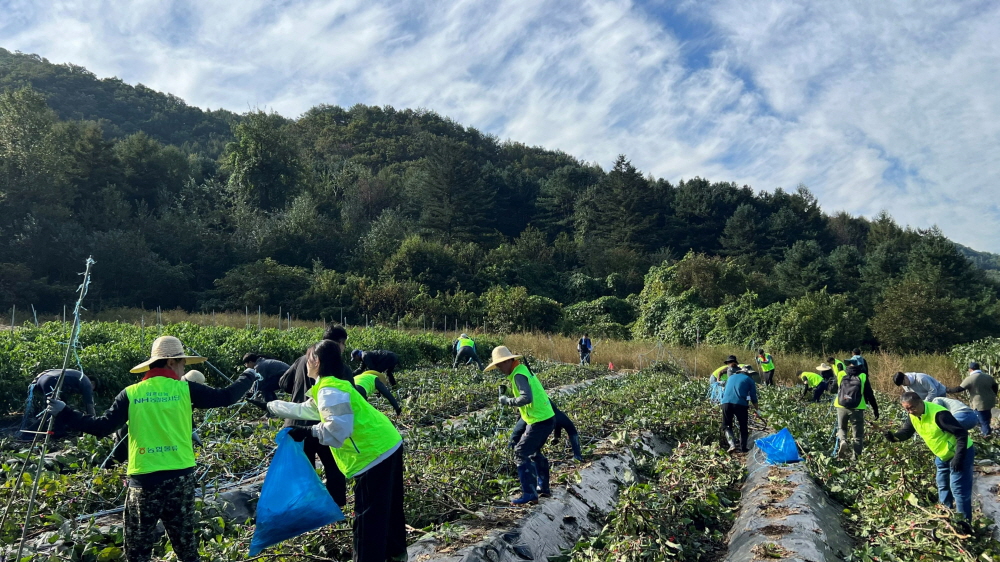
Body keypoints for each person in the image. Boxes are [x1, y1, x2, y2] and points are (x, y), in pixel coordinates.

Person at [48, 336, 257, 562]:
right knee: (186, 547)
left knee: (138, 550)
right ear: (170, 362)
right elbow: (226, 397)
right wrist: (249, 375)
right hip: (180, 478)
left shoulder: (131, 393)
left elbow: (102, 427)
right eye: (182, 363)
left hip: (145, 482)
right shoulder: (186, 389)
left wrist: (65, 412)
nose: (182, 367)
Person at [262, 340, 406, 562]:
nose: (306, 363)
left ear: (317, 361)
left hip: (373, 453)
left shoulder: (329, 389)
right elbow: (306, 409)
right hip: (388, 443)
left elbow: (338, 429)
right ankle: (397, 554)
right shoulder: (330, 385)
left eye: (308, 358)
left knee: (368, 518)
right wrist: (271, 406)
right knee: (390, 507)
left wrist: (307, 433)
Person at [272, 324, 350, 507]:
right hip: (323, 426)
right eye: (344, 345)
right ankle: (335, 510)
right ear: (339, 344)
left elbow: (283, 383)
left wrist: (300, 391)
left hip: (296, 425)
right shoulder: (341, 370)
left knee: (304, 472)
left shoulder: (302, 360)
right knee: (334, 469)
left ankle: (308, 511)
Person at [885, 392, 974, 520]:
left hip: (961, 452)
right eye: (907, 409)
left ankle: (964, 523)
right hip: (942, 455)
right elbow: (906, 432)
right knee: (942, 485)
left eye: (912, 407)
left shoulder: (939, 414)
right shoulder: (913, 416)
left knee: (958, 489)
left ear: (920, 402)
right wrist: (894, 437)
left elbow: (961, 434)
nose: (910, 411)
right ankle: (946, 516)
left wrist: (959, 457)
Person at [488, 346, 555, 505]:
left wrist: (508, 401)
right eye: (497, 365)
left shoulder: (518, 374)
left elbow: (526, 398)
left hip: (540, 420)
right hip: (545, 417)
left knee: (520, 452)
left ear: (509, 360)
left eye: (500, 364)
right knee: (532, 451)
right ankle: (543, 487)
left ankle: (529, 494)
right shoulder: (522, 369)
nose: (499, 368)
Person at [19, 368, 98, 439]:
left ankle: (58, 432)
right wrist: (94, 425)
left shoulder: (76, 375)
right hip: (52, 382)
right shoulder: (87, 383)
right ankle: (28, 433)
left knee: (61, 408)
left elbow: (47, 371)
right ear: (93, 383)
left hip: (42, 380)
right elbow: (89, 407)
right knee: (52, 410)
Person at [510, 401, 584, 462]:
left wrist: (556, 437)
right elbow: (517, 432)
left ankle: (527, 461)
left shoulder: (554, 414)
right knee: (528, 445)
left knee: (533, 449)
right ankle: (514, 458)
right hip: (539, 419)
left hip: (540, 420)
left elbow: (567, 428)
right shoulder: (554, 413)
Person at [835, 364, 879, 459]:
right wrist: (875, 409)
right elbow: (869, 394)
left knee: (842, 428)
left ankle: (843, 440)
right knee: (858, 435)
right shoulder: (863, 376)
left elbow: (835, 388)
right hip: (857, 407)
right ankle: (856, 458)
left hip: (841, 405)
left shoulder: (841, 374)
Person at [947, 361, 998, 436]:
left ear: (970, 369)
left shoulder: (971, 378)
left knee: (983, 421)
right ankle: (987, 433)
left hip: (979, 403)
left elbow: (959, 389)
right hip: (989, 402)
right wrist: (993, 395)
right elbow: (995, 386)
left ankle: (986, 436)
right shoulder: (988, 376)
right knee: (986, 418)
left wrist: (947, 390)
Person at [720, 362, 758, 453]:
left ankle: (732, 444)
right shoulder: (750, 380)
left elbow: (727, 391)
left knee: (726, 425)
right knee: (743, 426)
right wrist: (757, 410)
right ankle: (743, 448)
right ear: (748, 373)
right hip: (740, 404)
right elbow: (753, 397)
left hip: (725, 403)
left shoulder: (731, 378)